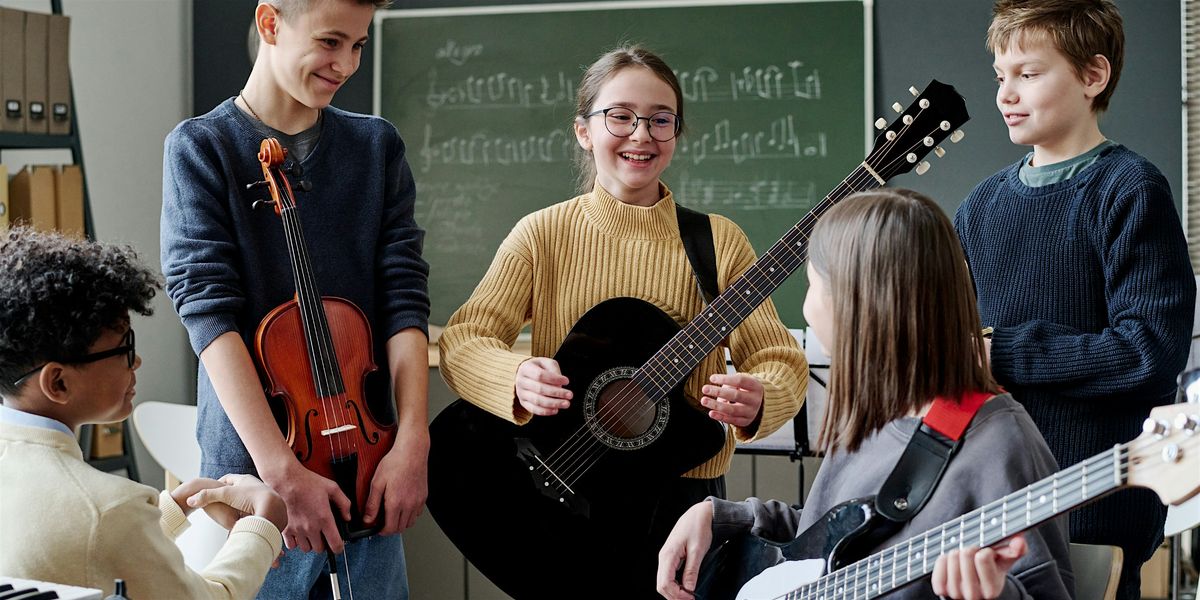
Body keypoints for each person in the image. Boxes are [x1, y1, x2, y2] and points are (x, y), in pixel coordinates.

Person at [437, 45, 808, 597]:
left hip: (681, 505)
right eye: (620, 116)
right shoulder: (541, 235)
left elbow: (776, 356)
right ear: (584, 130)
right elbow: (466, 338)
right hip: (558, 488)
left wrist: (762, 396)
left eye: (661, 120)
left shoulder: (719, 241)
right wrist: (513, 378)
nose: (642, 135)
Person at [656, 190, 1075, 600]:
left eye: (811, 286)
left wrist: (995, 594)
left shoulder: (1001, 444)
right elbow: (827, 542)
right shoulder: (875, 412)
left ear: (857, 304)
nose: (805, 308)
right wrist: (720, 515)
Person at [160, 0, 431, 597]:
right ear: (269, 23)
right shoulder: (201, 148)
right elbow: (207, 315)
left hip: (368, 460)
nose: (346, 64)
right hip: (256, 484)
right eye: (331, 42)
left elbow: (404, 298)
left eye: (358, 45)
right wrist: (282, 474)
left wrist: (413, 439)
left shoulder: (375, 147)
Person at [955, 2, 1195, 597]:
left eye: (1029, 74)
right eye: (1000, 76)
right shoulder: (979, 206)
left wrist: (1002, 353)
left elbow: (1148, 352)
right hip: (986, 502)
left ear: (1093, 76)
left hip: (1094, 505)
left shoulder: (1131, 189)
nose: (1005, 93)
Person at [0, 227, 288, 599]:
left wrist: (169, 510)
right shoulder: (108, 508)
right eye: (123, 348)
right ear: (58, 383)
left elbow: (82, 549)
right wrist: (262, 526)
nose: (136, 361)